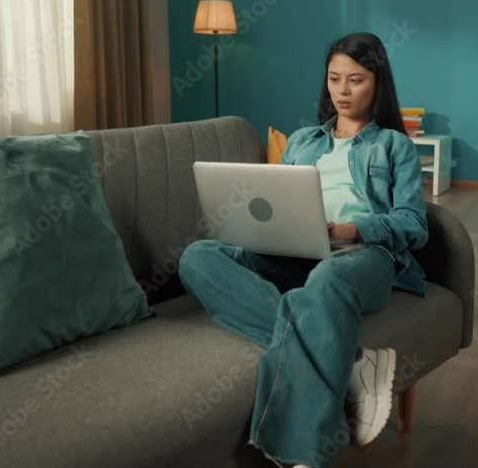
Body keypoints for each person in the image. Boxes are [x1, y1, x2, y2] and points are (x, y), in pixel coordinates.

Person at [178, 32, 428, 468]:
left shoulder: (394, 145)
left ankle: (303, 456)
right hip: (294, 252)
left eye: (355, 80)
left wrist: (352, 228)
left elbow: (414, 224)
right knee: (198, 256)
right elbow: (275, 200)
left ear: (378, 83)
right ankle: (351, 361)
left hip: (360, 257)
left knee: (326, 280)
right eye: (334, 79)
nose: (343, 91)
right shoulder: (301, 141)